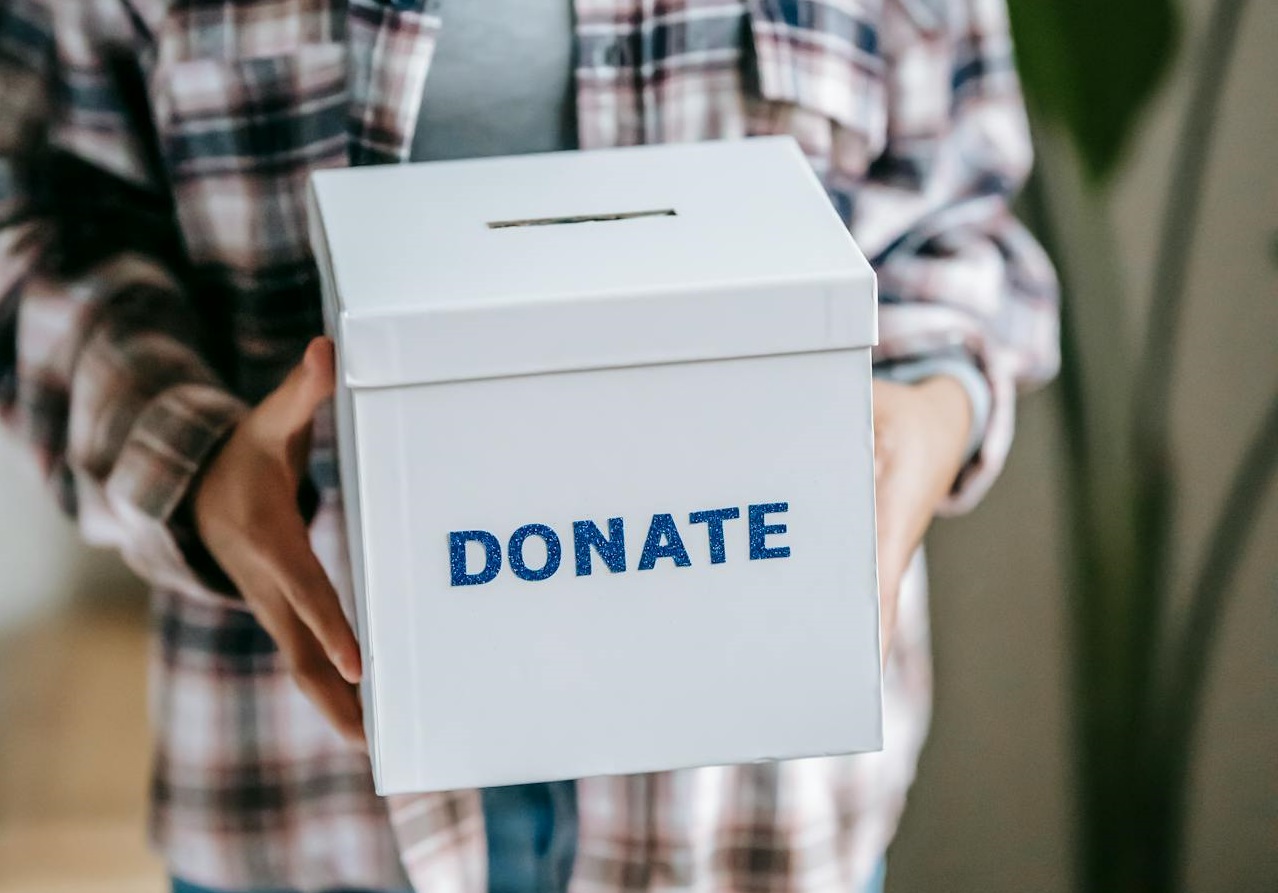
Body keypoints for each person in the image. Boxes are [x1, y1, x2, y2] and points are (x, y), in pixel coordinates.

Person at [0, 0, 1059, 891]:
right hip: (307, 782)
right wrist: (193, 459)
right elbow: (42, 218)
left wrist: (928, 415)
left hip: (749, 810)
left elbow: (957, 218)